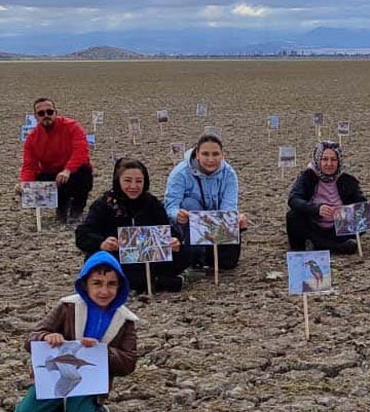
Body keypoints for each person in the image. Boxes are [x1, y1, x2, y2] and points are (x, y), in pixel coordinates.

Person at [12, 250, 138, 412]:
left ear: (120, 286)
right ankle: (55, 408)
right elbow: (31, 339)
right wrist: (47, 337)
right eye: (97, 283)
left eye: (111, 284)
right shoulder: (67, 307)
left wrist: (101, 351)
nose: (104, 291)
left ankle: (91, 408)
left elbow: (129, 362)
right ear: (85, 284)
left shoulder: (125, 320)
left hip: (88, 386)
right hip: (53, 379)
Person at [76, 158, 190, 292]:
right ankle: (155, 282)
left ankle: (148, 282)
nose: (133, 186)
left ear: (145, 182)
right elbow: (82, 235)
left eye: (139, 181)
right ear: (118, 181)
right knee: (102, 263)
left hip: (150, 257)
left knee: (185, 253)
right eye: (127, 181)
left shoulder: (151, 203)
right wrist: (102, 243)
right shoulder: (103, 204)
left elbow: (167, 229)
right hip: (117, 257)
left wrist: (174, 242)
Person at [163, 135, 248, 270]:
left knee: (228, 263)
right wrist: (177, 215)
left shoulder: (229, 174)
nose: (210, 159)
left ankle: (209, 252)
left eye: (215, 154)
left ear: (222, 155)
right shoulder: (180, 172)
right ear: (197, 154)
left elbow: (228, 207)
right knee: (190, 204)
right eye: (205, 154)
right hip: (187, 225)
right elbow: (170, 206)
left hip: (216, 224)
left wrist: (234, 220)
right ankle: (195, 252)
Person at [285, 141, 370, 254]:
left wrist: (369, 207)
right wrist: (317, 209)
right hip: (314, 226)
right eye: (325, 159)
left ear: (339, 161)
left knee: (362, 219)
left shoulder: (347, 180)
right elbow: (294, 199)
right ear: (318, 160)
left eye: (333, 160)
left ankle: (321, 245)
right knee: (293, 216)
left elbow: (359, 200)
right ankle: (331, 247)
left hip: (338, 229)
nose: (329, 164)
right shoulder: (307, 176)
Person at [18, 98, 93, 223]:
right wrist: (24, 183)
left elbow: (81, 150)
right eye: (41, 113)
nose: (46, 115)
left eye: (49, 112)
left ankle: (77, 208)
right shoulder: (32, 139)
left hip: (73, 171)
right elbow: (29, 166)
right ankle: (61, 207)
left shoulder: (72, 126)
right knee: (40, 180)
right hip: (51, 174)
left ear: (56, 112)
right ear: (36, 116)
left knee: (84, 171)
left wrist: (67, 170)